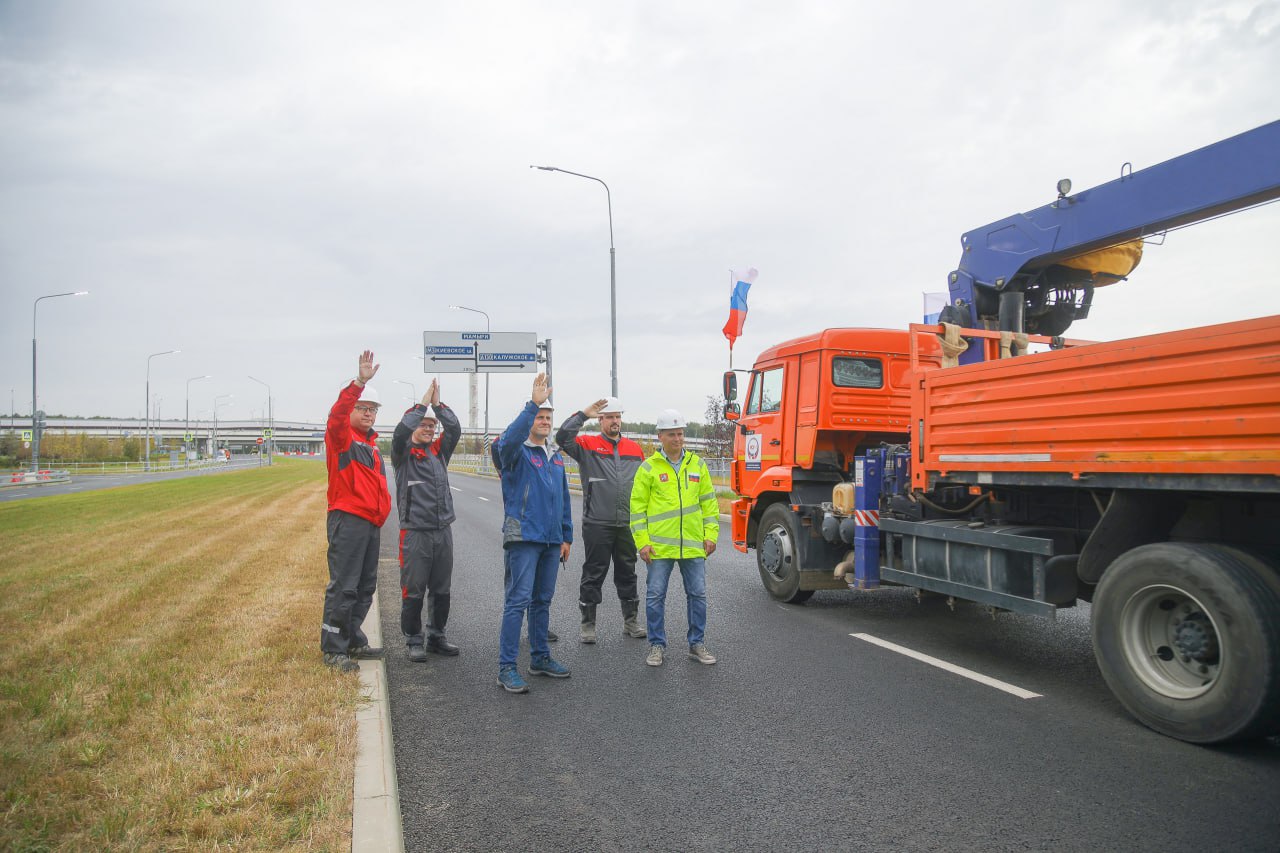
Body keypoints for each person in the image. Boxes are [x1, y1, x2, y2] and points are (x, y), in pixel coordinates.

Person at [495, 373, 573, 693]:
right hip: (523, 536)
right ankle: (506, 667)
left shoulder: (554, 456)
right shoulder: (515, 452)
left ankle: (540, 657)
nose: (543, 421)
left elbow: (564, 499)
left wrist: (566, 535)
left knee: (542, 601)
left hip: (551, 540)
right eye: (540, 416)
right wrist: (532, 403)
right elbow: (507, 439)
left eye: (547, 417)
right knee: (518, 600)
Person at [629, 409, 720, 667]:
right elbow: (637, 509)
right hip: (659, 548)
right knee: (655, 596)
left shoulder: (697, 465)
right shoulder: (648, 468)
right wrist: (642, 542)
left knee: (698, 595)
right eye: (672, 434)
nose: (677, 439)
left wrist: (711, 534)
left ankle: (696, 644)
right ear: (660, 436)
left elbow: (709, 505)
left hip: (693, 546)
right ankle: (657, 645)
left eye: (680, 433)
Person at [321, 350, 392, 672]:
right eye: (363, 408)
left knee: (365, 586)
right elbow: (336, 415)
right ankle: (333, 647)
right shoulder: (341, 438)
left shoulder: (372, 445)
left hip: (369, 523)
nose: (368, 414)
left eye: (373, 409)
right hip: (348, 519)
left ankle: (352, 637)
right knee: (345, 585)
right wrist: (360, 382)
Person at [556, 397, 647, 643]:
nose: (615, 421)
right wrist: (583, 414)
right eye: (610, 417)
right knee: (594, 572)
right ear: (601, 420)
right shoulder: (587, 445)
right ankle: (588, 624)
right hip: (598, 522)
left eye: (618, 416)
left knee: (628, 571)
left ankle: (631, 621)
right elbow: (562, 437)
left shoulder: (635, 449)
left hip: (627, 523)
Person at [391, 379, 462, 661]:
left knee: (441, 588)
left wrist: (437, 406)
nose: (429, 429)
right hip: (415, 533)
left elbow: (454, 428)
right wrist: (421, 406)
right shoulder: (403, 452)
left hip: (442, 531)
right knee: (414, 589)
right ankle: (413, 639)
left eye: (432, 426)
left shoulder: (438, 451)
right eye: (424, 424)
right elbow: (400, 431)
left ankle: (437, 635)